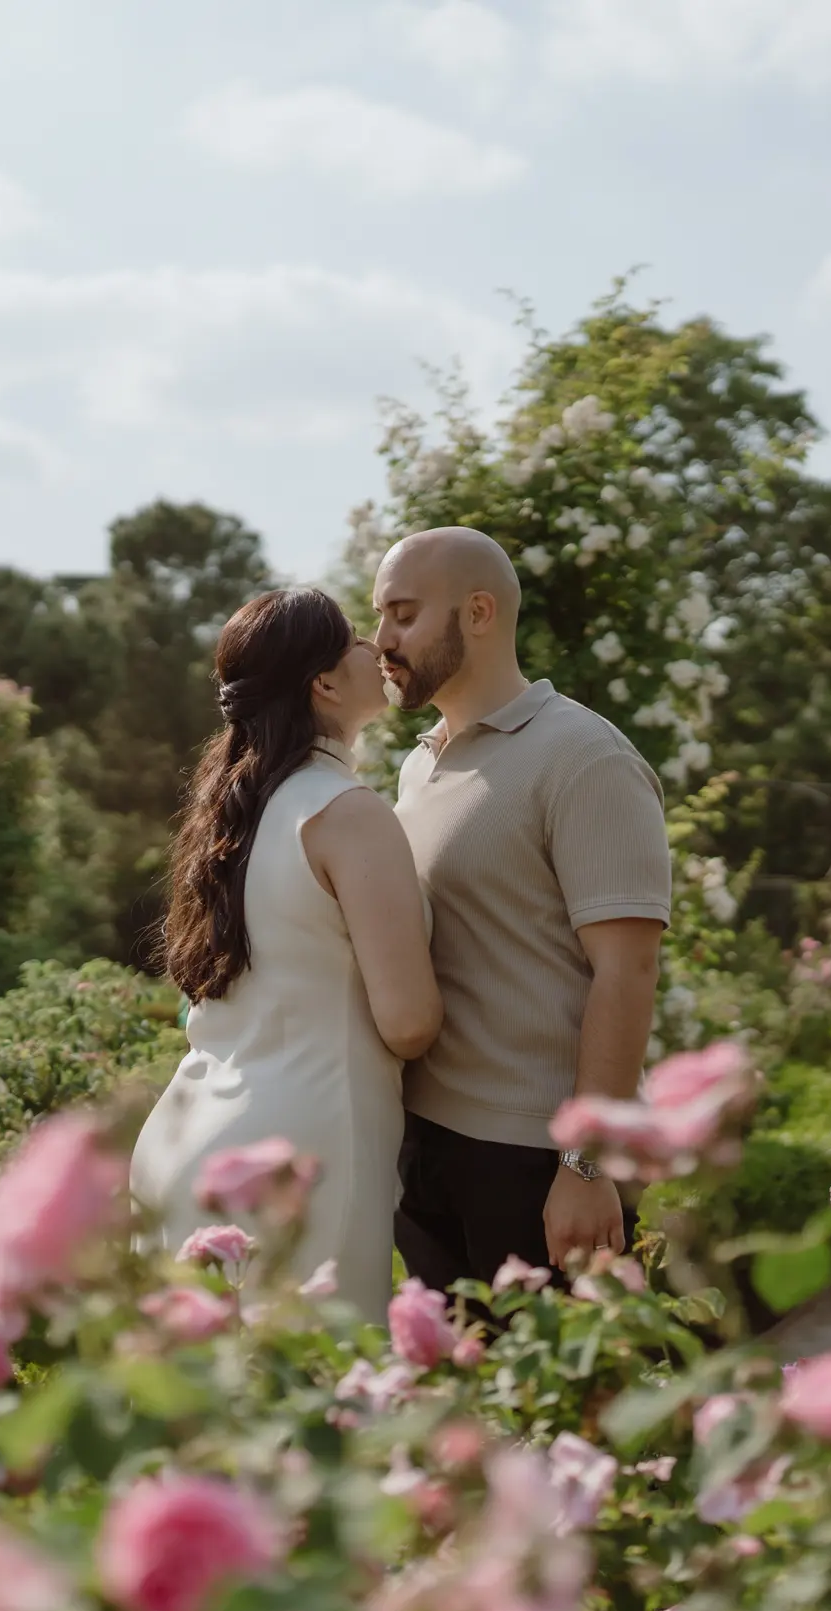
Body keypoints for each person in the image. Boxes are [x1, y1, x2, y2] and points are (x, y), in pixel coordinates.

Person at [372, 526, 671, 1290]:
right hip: (425, 1150)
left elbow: (629, 967)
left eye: (403, 614)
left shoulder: (584, 755)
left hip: (532, 1165)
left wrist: (586, 1161)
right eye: (381, 616)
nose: (383, 638)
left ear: (478, 613)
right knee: (456, 1407)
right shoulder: (419, 763)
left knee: (563, 1408)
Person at [130, 587, 441, 1322]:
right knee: (312, 1407)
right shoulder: (347, 813)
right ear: (326, 682)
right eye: (359, 640)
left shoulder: (234, 812)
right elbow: (409, 1024)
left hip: (187, 1138)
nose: (377, 649)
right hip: (301, 1153)